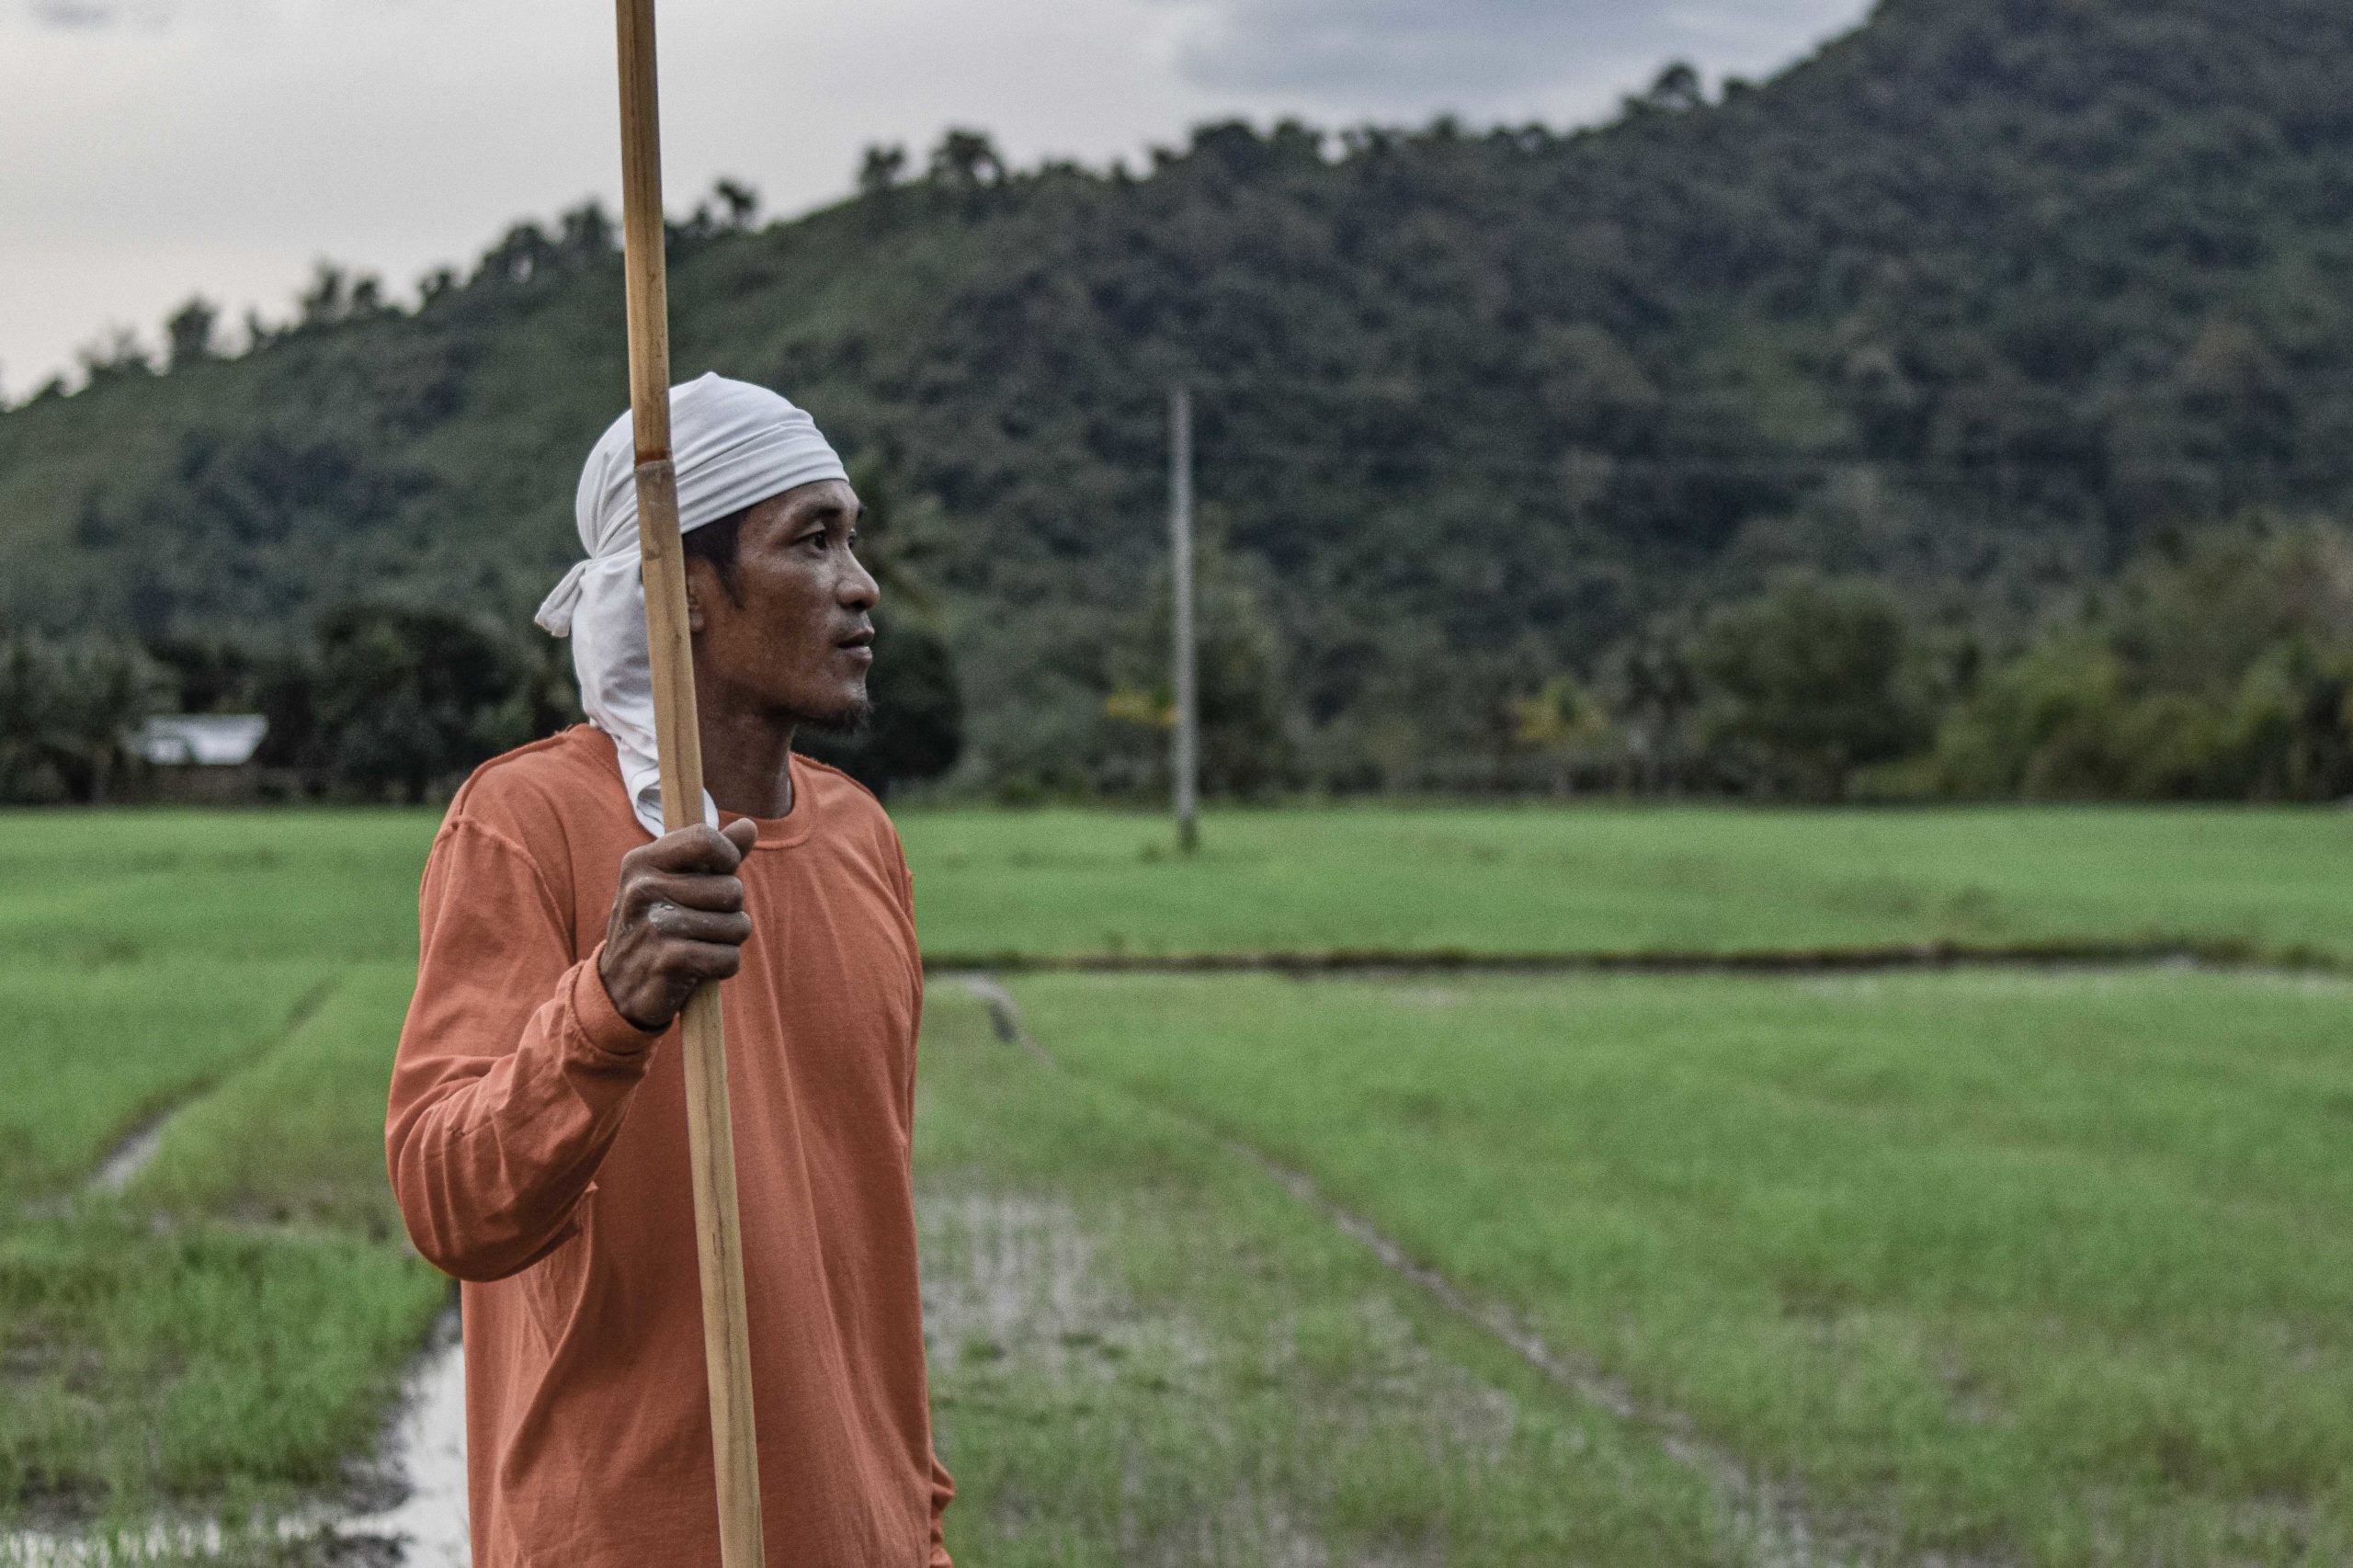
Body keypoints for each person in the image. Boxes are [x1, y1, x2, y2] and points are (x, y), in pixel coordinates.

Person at [386, 373, 953, 1566]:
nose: (864, 586)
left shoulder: (862, 842)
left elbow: (869, 1251)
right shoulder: (527, 823)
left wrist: (915, 1520)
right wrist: (608, 1006)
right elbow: (447, 1200)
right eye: (814, 541)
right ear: (683, 591)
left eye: (854, 539)